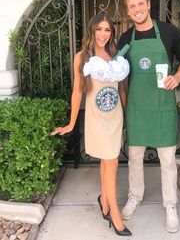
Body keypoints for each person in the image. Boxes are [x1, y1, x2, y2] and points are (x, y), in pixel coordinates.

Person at [119, 0, 180, 233]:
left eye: (140, 4)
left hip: (163, 107)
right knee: (135, 158)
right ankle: (135, 196)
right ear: (128, 11)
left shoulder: (169, 32)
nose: (137, 9)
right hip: (137, 107)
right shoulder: (125, 39)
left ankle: (170, 204)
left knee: (168, 160)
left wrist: (177, 78)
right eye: (132, 6)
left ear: (148, 5)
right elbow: (118, 72)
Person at [51, 12, 132, 236]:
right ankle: (113, 212)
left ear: (111, 32)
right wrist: (71, 122)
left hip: (115, 117)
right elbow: (77, 92)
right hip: (96, 119)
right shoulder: (82, 57)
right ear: (91, 30)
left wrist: (127, 115)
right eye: (99, 29)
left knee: (109, 161)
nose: (103, 34)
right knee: (111, 161)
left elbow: (122, 88)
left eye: (107, 30)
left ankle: (104, 200)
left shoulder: (116, 55)